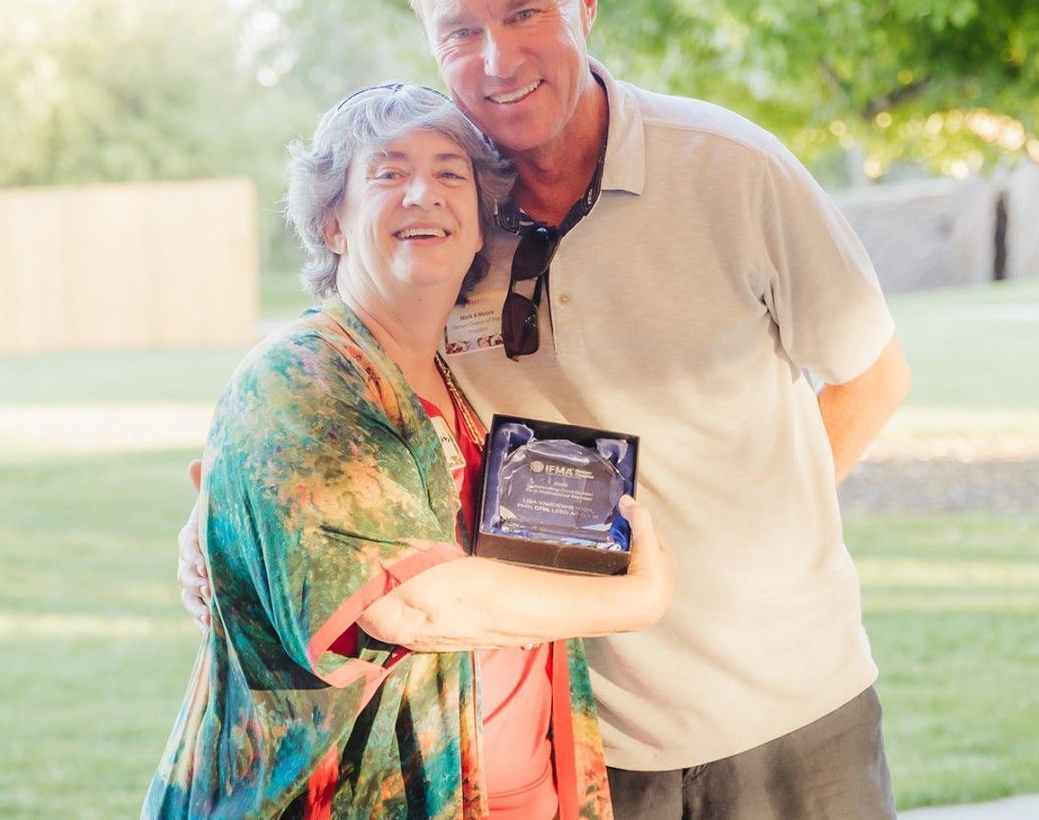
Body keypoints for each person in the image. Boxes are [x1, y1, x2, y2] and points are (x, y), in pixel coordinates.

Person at [180, 0, 913, 819]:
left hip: (790, 708)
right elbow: (323, 429)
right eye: (460, 31)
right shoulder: (447, 231)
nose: (496, 57)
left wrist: (739, 540)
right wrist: (214, 540)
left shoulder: (732, 170)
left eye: (524, 13)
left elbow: (873, 376)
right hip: (593, 733)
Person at [146, 85, 676, 820]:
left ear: (479, 222)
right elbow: (410, 606)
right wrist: (632, 599)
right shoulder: (300, 380)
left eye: (450, 173)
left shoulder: (463, 380)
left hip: (520, 793)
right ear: (333, 225)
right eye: (388, 174)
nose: (424, 192)